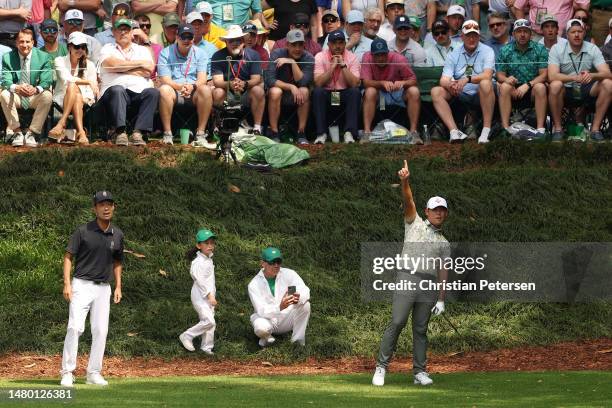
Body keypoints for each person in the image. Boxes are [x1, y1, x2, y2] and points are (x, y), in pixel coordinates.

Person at [372, 159, 450, 387]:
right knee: (397, 322)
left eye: (442, 210)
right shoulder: (414, 222)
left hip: (428, 284)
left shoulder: (444, 242)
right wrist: (405, 182)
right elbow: (408, 201)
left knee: (420, 329)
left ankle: (419, 372)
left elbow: (443, 270)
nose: (439, 213)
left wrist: (442, 299)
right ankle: (381, 367)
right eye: (435, 209)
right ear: (427, 211)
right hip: (408, 277)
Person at [60, 191, 124, 387]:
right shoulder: (83, 231)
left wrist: (118, 286)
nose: (106, 208)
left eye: (109, 204)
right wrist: (67, 283)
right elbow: (68, 257)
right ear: (94, 208)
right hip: (81, 285)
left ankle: (93, 373)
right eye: (101, 204)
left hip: (104, 289)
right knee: (74, 327)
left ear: (114, 207)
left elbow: (117, 262)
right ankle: (67, 372)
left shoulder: (118, 234)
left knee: (101, 331)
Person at [431, 20, 496, 143]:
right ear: (462, 36)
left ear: (479, 36)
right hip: (460, 92)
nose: (472, 39)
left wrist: (467, 79)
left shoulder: (487, 50)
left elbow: (488, 75)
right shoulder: (453, 54)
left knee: (485, 83)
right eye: (468, 35)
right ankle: (454, 132)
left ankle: (486, 130)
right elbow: (443, 79)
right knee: (436, 91)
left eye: (474, 35)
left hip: (481, 92)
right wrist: (450, 84)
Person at [548, 19, 612, 142]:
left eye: (580, 31)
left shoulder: (592, 48)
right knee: (555, 85)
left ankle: (595, 129)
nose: (577, 35)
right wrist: (573, 77)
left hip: (586, 87)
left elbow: (607, 73)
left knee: (608, 84)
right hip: (565, 87)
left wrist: (593, 75)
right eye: (573, 32)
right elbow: (552, 76)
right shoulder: (557, 48)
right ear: (567, 34)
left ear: (584, 33)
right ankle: (558, 129)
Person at [98, 18, 160, 146]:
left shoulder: (142, 50)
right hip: (112, 92)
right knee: (118, 89)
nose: (123, 32)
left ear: (132, 32)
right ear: (113, 32)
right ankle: (120, 132)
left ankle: (138, 132)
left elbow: (148, 70)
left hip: (138, 90)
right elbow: (111, 65)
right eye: (119, 29)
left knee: (153, 92)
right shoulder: (107, 48)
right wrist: (139, 64)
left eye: (126, 30)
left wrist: (120, 69)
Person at [158, 24, 213, 145]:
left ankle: (201, 133)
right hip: (174, 90)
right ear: (177, 37)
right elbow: (165, 79)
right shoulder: (165, 53)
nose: (187, 40)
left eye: (190, 37)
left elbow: (202, 78)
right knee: (164, 89)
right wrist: (179, 87)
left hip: (193, 91)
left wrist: (191, 87)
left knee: (206, 89)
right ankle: (167, 134)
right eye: (183, 37)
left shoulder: (201, 53)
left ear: (193, 38)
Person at [248, 247, 311, 347]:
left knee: (305, 305)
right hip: (268, 320)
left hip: (286, 318)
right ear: (263, 263)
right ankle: (267, 337)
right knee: (261, 327)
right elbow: (261, 311)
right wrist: (280, 306)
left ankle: (297, 342)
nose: (276, 265)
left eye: (278, 261)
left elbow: (305, 290)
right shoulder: (254, 284)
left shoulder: (289, 274)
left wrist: (298, 297)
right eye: (272, 262)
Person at [496, 19, 549, 139]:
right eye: (519, 31)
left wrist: (528, 85)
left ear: (531, 34)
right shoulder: (505, 50)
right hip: (512, 88)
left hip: (532, 87)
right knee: (504, 86)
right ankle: (505, 129)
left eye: (526, 31)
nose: (522, 34)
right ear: (513, 34)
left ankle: (540, 129)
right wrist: (507, 80)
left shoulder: (540, 49)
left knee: (541, 87)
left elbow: (544, 75)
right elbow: (499, 75)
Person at [361, 38, 421, 142]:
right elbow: (365, 83)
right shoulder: (366, 57)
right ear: (372, 54)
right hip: (378, 92)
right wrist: (381, 83)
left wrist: (403, 83)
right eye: (377, 55)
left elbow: (413, 80)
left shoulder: (399, 59)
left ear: (388, 53)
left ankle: (414, 132)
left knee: (414, 91)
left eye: (383, 54)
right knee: (369, 91)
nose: (381, 58)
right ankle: (367, 132)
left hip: (397, 92)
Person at [1, 28, 52, 148]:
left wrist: (36, 89)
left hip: (34, 95)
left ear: (33, 42)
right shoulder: (7, 57)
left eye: (28, 42)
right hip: (17, 96)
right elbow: (6, 81)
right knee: (3, 94)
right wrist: (17, 88)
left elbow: (47, 80)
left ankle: (32, 133)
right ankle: (17, 132)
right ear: (16, 43)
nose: (25, 45)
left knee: (47, 96)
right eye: (21, 41)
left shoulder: (44, 57)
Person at [211, 25, 265, 135]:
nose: (235, 43)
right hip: (227, 91)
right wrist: (230, 84)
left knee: (259, 90)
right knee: (217, 92)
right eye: (231, 41)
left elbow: (256, 79)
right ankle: (218, 124)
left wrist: (244, 84)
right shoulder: (217, 55)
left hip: (246, 91)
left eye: (238, 40)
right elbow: (217, 81)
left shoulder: (253, 55)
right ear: (226, 42)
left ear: (243, 41)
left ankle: (257, 127)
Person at [49, 32, 99, 145]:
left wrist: (90, 84)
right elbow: (67, 78)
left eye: (83, 47)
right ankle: (81, 132)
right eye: (77, 46)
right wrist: (89, 82)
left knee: (75, 91)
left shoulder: (90, 64)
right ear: (69, 47)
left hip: (85, 97)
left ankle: (62, 122)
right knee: (73, 88)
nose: (80, 49)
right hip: (62, 97)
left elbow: (92, 89)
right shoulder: (59, 60)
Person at [266, 29, 314, 144]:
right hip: (280, 94)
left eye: (300, 45)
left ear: (304, 45)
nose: (297, 48)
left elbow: (303, 82)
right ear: (287, 44)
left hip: (298, 96)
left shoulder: (308, 58)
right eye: (293, 45)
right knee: (275, 91)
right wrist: (291, 87)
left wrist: (292, 62)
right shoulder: (276, 54)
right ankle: (274, 132)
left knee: (304, 91)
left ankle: (301, 132)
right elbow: (270, 80)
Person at [313, 29, 361, 144]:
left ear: (345, 44)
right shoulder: (320, 56)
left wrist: (343, 66)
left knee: (355, 92)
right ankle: (321, 134)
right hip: (327, 92)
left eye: (340, 42)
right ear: (328, 44)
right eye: (334, 43)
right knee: (317, 92)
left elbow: (355, 83)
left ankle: (349, 133)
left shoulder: (352, 57)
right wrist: (332, 67)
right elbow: (318, 83)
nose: (337, 46)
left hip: (345, 92)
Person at [178, 229, 217, 355]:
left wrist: (212, 295)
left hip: (209, 296)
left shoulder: (209, 259)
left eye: (212, 243)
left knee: (211, 323)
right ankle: (187, 335)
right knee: (209, 321)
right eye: (206, 243)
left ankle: (206, 348)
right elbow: (200, 281)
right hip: (200, 297)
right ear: (199, 246)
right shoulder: (197, 262)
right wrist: (210, 296)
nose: (210, 246)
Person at [512, 0, 591, 39]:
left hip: (560, 36)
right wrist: (525, 29)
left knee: (559, 65)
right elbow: (518, 7)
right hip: (535, 35)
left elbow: (584, 6)